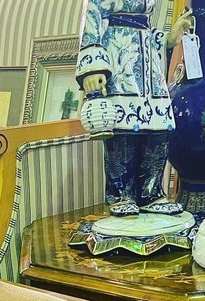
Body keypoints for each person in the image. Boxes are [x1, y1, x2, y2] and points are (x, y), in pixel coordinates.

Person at [76, 0, 193, 216]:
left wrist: (167, 39)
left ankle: (150, 193)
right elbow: (91, 23)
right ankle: (121, 195)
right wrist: (92, 68)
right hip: (119, 59)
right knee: (122, 129)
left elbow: (144, 27)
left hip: (150, 68)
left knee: (158, 128)